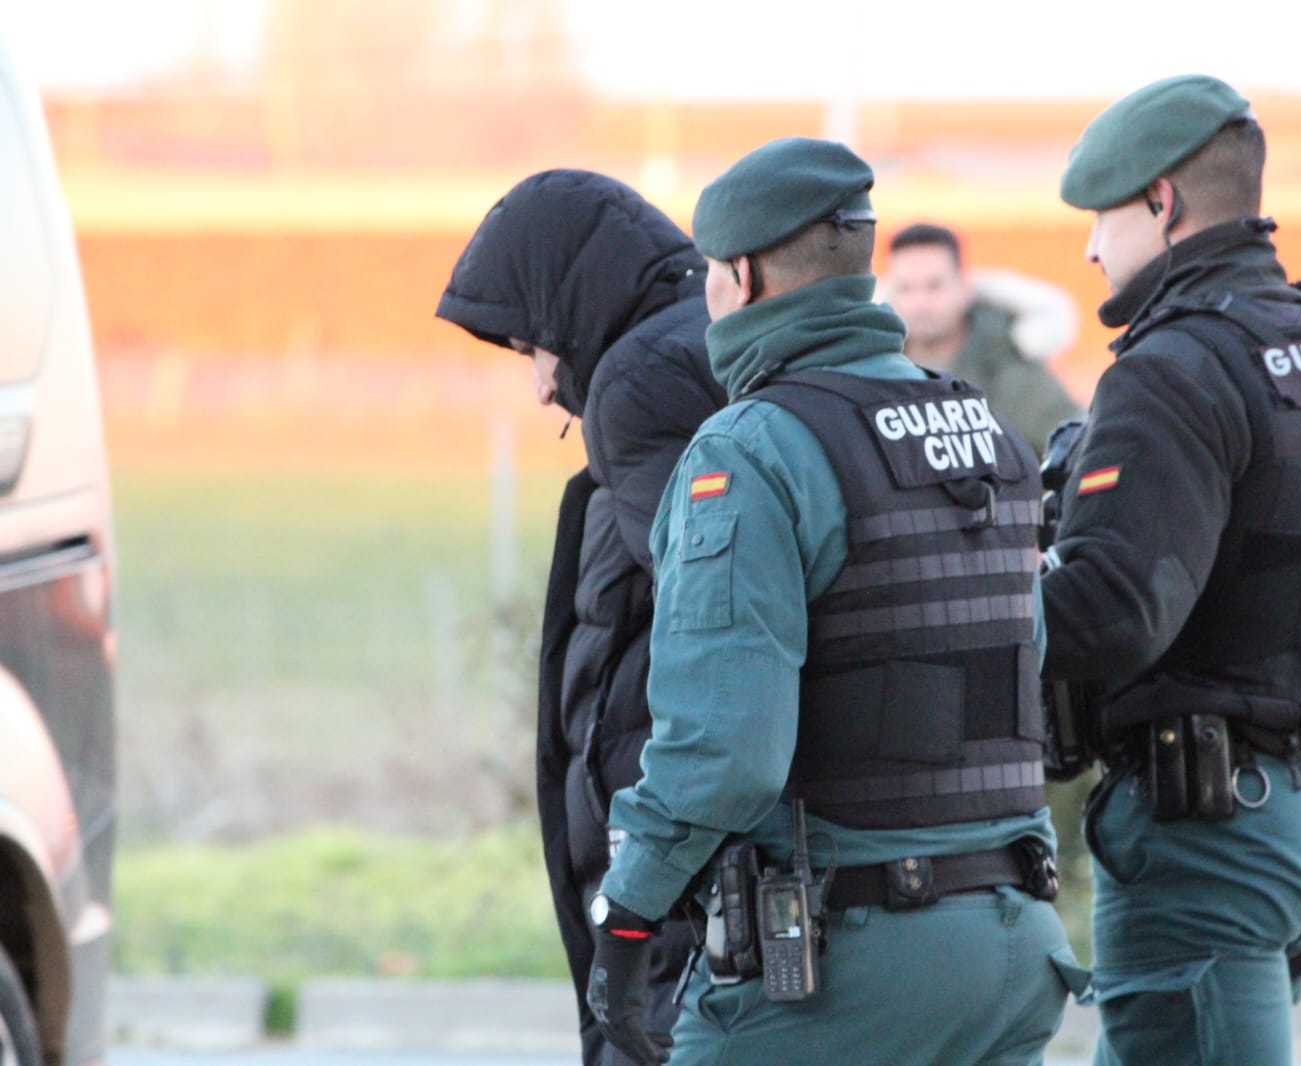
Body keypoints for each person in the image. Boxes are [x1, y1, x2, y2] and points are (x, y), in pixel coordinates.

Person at [583, 137, 1084, 1066]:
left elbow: (724, 750)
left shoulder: (751, 449)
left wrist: (629, 909)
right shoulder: (985, 431)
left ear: (738, 274)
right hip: (1014, 946)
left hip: (849, 963)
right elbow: (1027, 664)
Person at [1038, 75, 1301, 1065]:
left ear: (1161, 203)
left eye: (1103, 217)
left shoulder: (1172, 368)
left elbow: (1113, 614)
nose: (1093, 247)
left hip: (1210, 845)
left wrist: (959, 600)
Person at [435, 170, 725, 1066]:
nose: (537, 386)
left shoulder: (649, 387)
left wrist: (643, 903)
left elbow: (712, 648)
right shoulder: (677, 368)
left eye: (532, 346)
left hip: (678, 906)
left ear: (573, 311)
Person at [885, 223, 1082, 456]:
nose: (920, 303)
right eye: (906, 288)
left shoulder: (1009, 366)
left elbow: (1073, 448)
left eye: (934, 286)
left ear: (964, 288)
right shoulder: (876, 371)